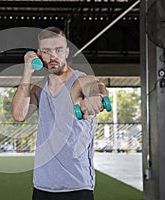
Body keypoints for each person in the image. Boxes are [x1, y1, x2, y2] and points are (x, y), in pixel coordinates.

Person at [12, 26, 109, 200]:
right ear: (39, 55)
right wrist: (27, 72)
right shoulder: (38, 89)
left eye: (58, 50)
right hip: (42, 187)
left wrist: (98, 97)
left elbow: (96, 85)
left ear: (66, 52)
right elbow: (19, 115)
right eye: (47, 51)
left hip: (77, 186)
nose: (53, 56)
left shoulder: (80, 80)